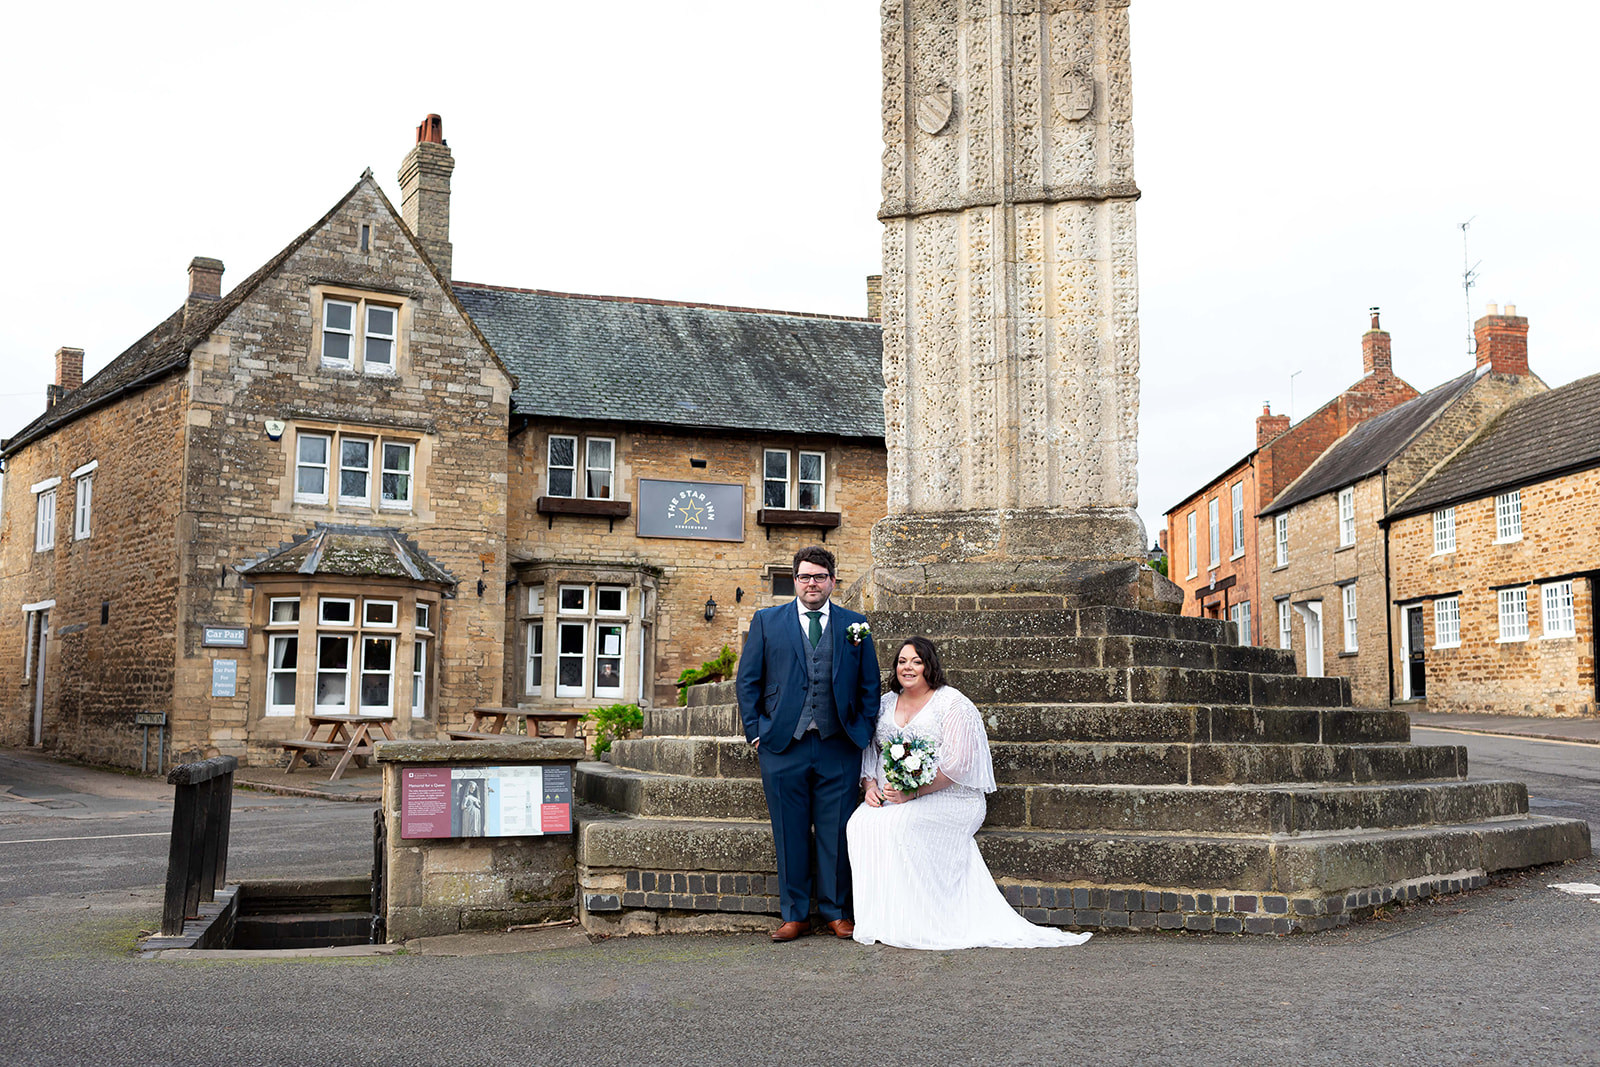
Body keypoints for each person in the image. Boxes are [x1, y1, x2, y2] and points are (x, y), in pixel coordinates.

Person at [847, 636, 1092, 950]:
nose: (908, 668)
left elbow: (959, 765)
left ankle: (918, 920)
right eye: (902, 661)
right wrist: (870, 787)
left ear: (929, 666)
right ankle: (883, 920)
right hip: (891, 794)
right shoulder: (884, 703)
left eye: (916, 662)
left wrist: (914, 793)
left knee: (899, 827)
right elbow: (871, 750)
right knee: (859, 825)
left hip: (951, 798)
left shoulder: (952, 703)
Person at [736, 545, 881, 941]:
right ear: (795, 580)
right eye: (804, 576)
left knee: (836, 832)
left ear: (832, 581)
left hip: (839, 744)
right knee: (789, 830)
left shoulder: (856, 625)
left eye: (819, 576)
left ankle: (836, 911)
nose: (811, 583)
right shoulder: (768, 621)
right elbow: (747, 681)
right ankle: (795, 914)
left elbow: (870, 684)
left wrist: (863, 732)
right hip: (783, 744)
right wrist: (756, 731)